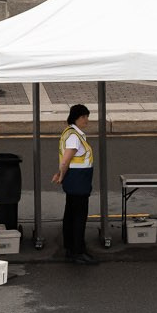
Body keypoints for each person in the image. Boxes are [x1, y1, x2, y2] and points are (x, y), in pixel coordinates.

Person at [55, 101, 96, 264]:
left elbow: (65, 162)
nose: (86, 120)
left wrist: (60, 174)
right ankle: (77, 251)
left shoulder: (71, 133)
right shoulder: (73, 137)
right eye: (83, 116)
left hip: (76, 181)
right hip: (78, 182)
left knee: (71, 214)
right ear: (76, 118)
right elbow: (65, 161)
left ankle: (71, 247)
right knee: (79, 217)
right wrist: (61, 175)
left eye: (87, 116)